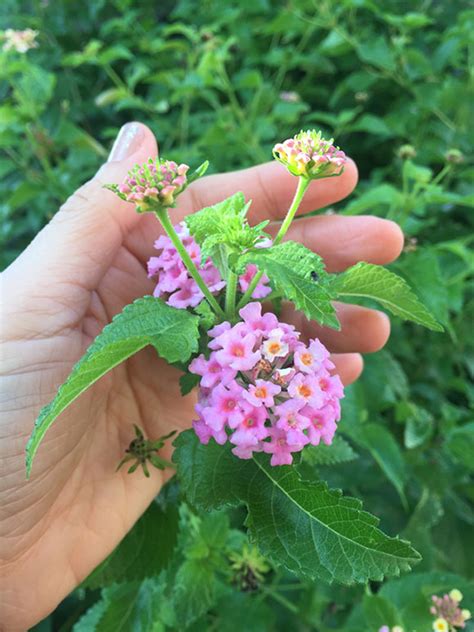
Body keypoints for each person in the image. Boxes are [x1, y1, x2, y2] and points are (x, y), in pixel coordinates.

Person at [0, 122, 403, 630]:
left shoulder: (261, 326)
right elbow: (219, 340)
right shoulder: (190, 281)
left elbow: (255, 340)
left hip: (245, 373)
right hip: (228, 372)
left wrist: (270, 366)